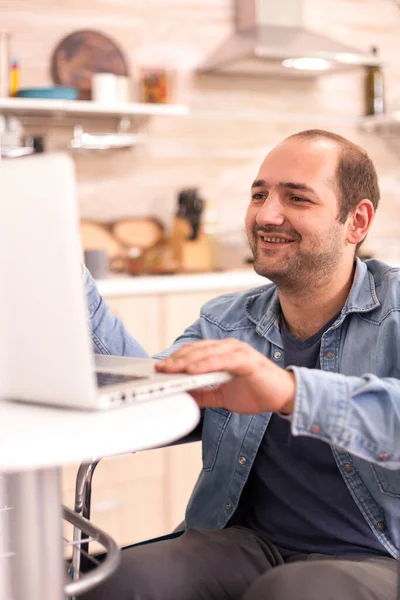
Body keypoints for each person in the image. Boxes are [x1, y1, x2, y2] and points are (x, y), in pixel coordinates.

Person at [82, 130, 400, 600]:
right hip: (249, 544)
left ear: (357, 221)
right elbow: (146, 395)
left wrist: (290, 391)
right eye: (259, 194)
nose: (267, 214)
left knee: (293, 592)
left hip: (377, 554)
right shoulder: (227, 320)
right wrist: (69, 277)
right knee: (116, 580)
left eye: (296, 198)